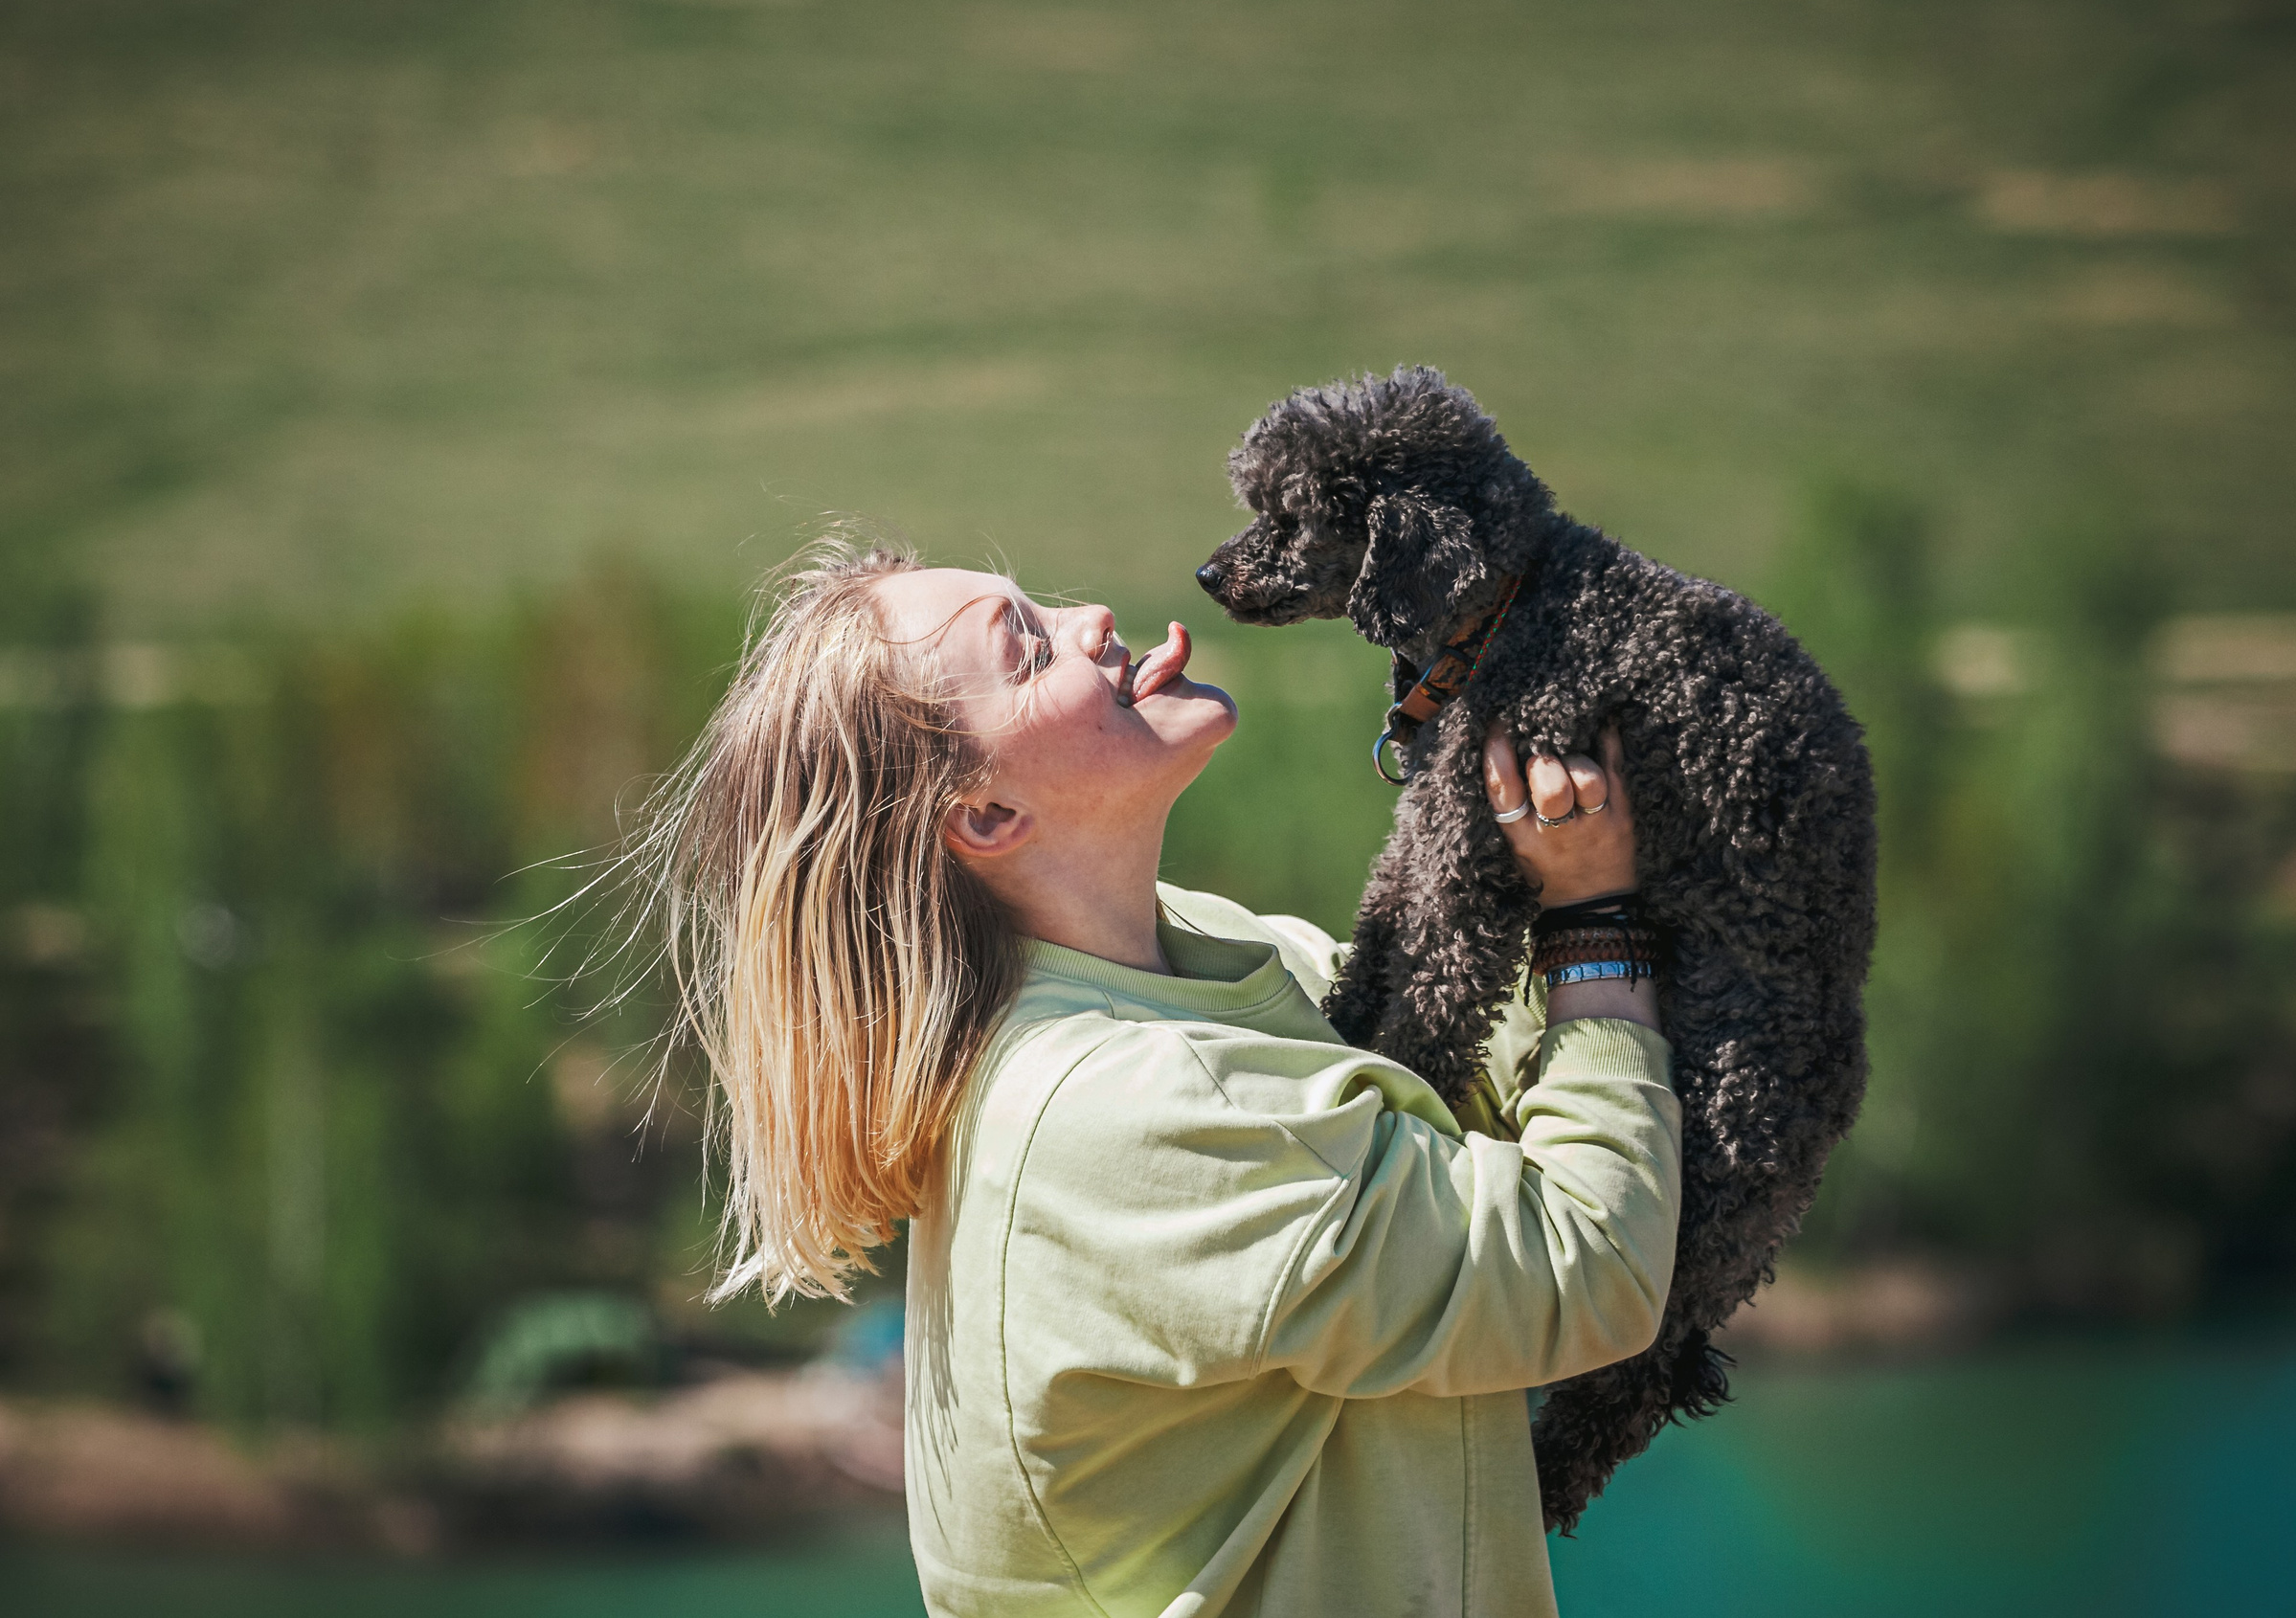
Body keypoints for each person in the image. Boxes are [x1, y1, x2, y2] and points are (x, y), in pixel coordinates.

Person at [644, 542, 1678, 1617]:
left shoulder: (1201, 950)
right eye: (1029, 648)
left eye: (1043, 604)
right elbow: (1586, 1267)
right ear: (986, 816)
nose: (1091, 614)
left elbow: (1470, 1096)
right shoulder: (1116, 1107)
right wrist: (1594, 918)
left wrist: (1547, 834)